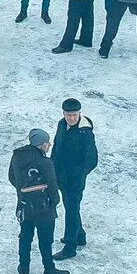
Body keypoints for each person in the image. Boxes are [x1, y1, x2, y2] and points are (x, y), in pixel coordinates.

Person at [9, 128, 68, 274]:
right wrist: (54, 202)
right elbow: (52, 186)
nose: (49, 146)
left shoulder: (17, 157)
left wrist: (24, 192)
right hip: (44, 208)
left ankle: (24, 268)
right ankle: (49, 269)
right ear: (42, 145)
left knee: (25, 237)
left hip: (24, 205)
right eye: (48, 143)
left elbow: (12, 178)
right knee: (45, 239)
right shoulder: (45, 162)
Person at [49, 100, 99, 261]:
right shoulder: (61, 125)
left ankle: (70, 246)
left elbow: (91, 159)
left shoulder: (85, 133)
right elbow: (57, 146)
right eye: (68, 115)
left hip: (75, 180)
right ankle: (80, 235)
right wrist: (52, 167)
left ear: (79, 113)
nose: (71, 118)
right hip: (61, 175)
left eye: (74, 115)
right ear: (63, 114)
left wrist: (79, 175)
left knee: (71, 210)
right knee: (70, 207)